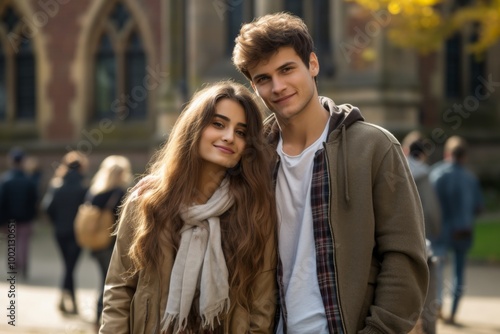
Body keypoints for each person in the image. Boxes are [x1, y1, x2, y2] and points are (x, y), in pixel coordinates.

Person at [232, 12, 429, 333]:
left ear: (312, 64)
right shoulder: (252, 160)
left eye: (286, 69)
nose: (278, 86)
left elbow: (405, 258)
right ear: (253, 86)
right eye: (263, 78)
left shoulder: (374, 147)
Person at [100, 80, 277, 333]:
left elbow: (262, 307)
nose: (229, 137)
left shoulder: (255, 212)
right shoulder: (147, 202)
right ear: (195, 127)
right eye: (218, 124)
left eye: (241, 132)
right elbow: (119, 290)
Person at [429, 136, 484, 325]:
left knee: (438, 271)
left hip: (441, 230)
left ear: (447, 154)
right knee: (458, 274)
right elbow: (478, 207)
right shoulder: (471, 178)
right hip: (463, 230)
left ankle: (437, 308)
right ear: (465, 156)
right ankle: (453, 314)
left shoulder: (436, 174)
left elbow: (430, 205)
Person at [85, 155, 132, 327]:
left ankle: (98, 315)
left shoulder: (94, 192)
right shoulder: (121, 193)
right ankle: (102, 315)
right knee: (110, 282)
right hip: (112, 245)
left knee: (103, 279)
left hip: (96, 243)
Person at [402, 131, 442, 334]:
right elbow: (432, 208)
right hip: (421, 238)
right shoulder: (425, 174)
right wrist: (437, 228)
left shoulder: (395, 167)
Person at [41, 151, 89, 315]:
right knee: (70, 267)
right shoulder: (84, 187)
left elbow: (47, 208)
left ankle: (66, 300)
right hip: (77, 233)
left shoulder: (56, 186)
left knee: (68, 266)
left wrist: (57, 222)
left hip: (60, 232)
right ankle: (70, 302)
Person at [0, 147, 38, 279]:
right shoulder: (29, 180)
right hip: (25, 218)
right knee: (23, 244)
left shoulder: (5, 180)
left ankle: (13, 266)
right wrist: (33, 217)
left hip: (10, 219)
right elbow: (34, 201)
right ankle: (23, 267)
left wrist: (2, 221)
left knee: (12, 243)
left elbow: (2, 202)